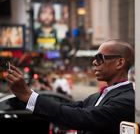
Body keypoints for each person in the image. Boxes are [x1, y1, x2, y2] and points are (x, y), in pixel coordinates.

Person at [6, 39, 135, 134]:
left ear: (119, 63)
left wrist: (29, 95)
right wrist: (25, 97)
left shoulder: (127, 100)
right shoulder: (95, 97)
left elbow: (78, 118)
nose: (94, 62)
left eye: (99, 58)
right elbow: (65, 110)